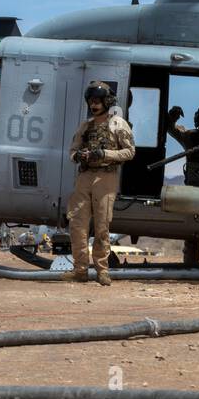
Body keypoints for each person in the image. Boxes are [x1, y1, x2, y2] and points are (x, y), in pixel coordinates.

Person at [66, 81, 134, 285]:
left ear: (107, 102)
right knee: (77, 224)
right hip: (85, 177)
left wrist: (104, 153)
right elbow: (72, 152)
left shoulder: (118, 124)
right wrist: (80, 156)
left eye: (98, 101)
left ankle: (102, 270)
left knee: (102, 226)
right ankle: (80, 270)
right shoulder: (85, 126)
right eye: (91, 101)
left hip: (106, 178)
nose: (94, 105)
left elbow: (130, 151)